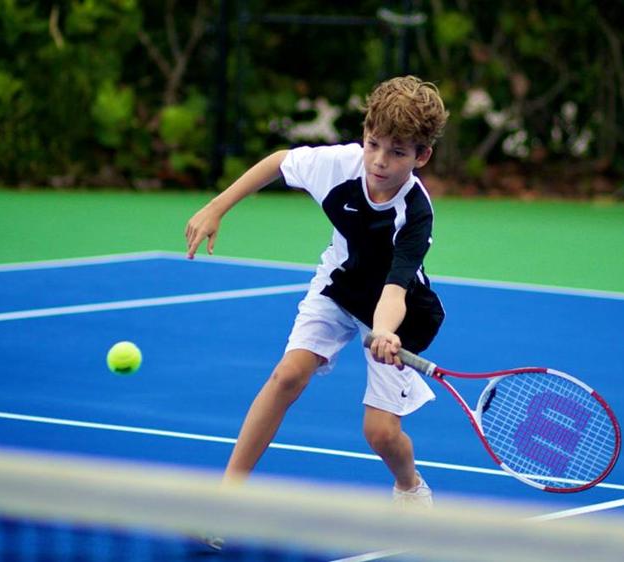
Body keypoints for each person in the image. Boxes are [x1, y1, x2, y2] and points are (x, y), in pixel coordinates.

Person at [184, 76, 450, 510]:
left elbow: (396, 288)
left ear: (422, 156)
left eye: (397, 152)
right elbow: (278, 161)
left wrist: (383, 331)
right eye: (373, 144)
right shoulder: (340, 165)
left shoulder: (415, 213)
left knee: (380, 434)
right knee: (287, 375)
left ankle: (409, 485)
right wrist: (216, 207)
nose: (379, 161)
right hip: (338, 284)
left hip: (397, 312)